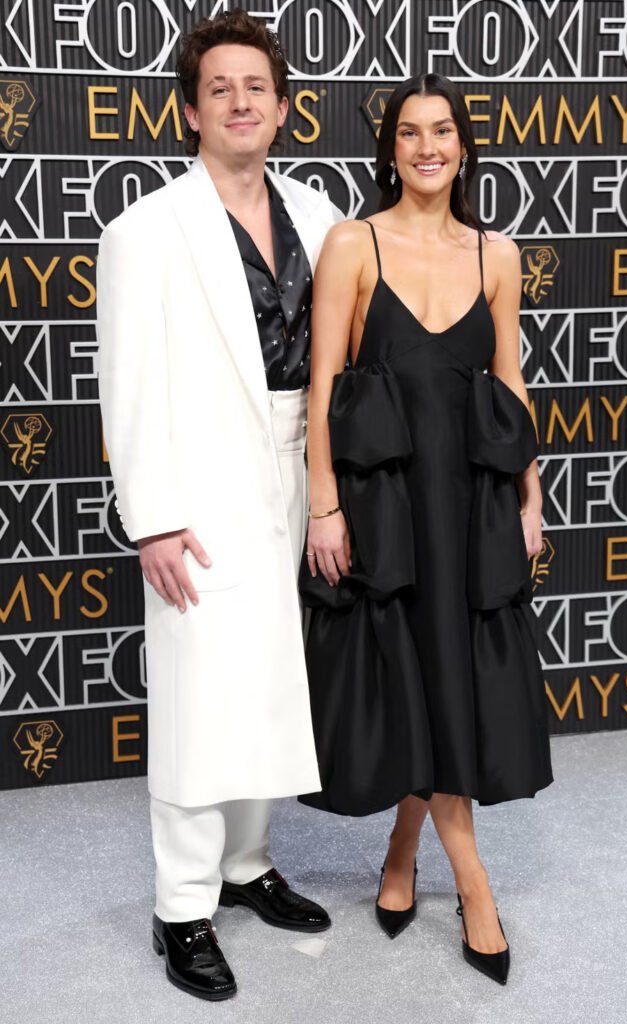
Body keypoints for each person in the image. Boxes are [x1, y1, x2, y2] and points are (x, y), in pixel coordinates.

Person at [97, 10, 343, 1002]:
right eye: (219, 88)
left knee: (271, 682)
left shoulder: (320, 215)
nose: (239, 102)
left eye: (257, 87)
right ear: (190, 108)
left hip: (298, 472)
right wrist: (150, 514)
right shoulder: (144, 230)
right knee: (201, 700)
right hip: (196, 492)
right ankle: (181, 906)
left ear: (282, 105)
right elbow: (126, 381)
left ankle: (246, 869)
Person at [299, 73, 553, 986]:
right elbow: (324, 385)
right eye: (408, 134)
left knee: (444, 684)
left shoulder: (497, 253)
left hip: (472, 502)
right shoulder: (350, 244)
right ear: (390, 151)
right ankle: (474, 885)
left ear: (462, 145)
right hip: (388, 510)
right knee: (418, 679)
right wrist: (323, 504)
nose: (426, 147)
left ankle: (404, 853)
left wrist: (530, 492)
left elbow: (511, 380)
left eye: (441, 131)